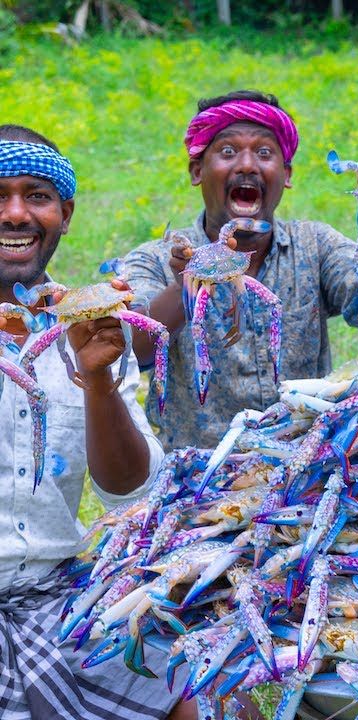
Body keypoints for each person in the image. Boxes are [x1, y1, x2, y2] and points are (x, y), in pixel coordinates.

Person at [0, 125, 187, 719]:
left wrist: (98, 378)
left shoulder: (92, 321)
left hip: (56, 596)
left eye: (37, 196)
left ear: (65, 213)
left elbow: (129, 489)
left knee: (194, 690)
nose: (15, 214)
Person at [121, 90, 358, 450]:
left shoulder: (315, 245)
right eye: (228, 152)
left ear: (286, 174)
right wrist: (189, 283)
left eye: (264, 153)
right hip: (196, 475)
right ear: (197, 171)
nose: (247, 165)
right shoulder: (153, 259)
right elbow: (129, 353)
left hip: (306, 466)